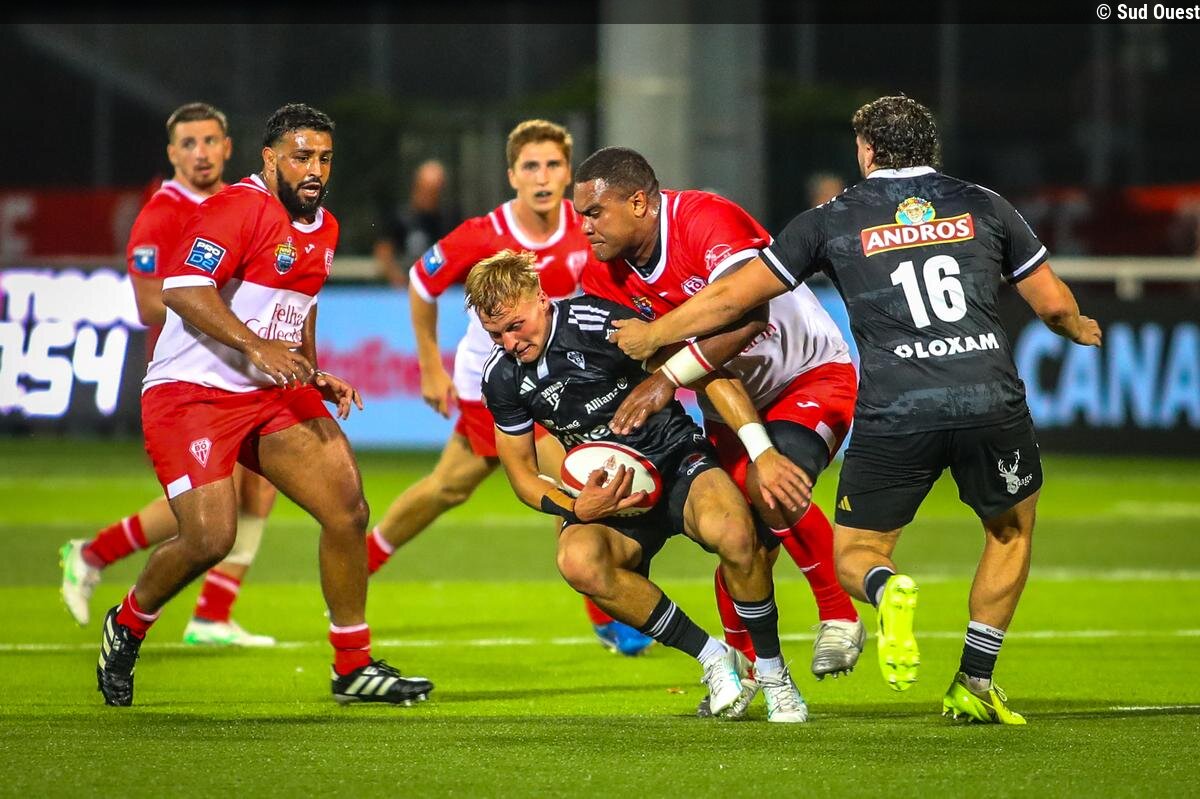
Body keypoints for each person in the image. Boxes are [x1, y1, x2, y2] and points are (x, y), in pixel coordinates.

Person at [608, 95, 1103, 724]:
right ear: (931, 148)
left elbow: (735, 298)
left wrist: (656, 336)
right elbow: (1053, 305)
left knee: (857, 553)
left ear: (866, 152)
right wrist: (1077, 327)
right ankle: (975, 681)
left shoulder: (832, 218)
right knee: (1009, 532)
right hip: (989, 398)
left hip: (897, 407)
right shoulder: (986, 204)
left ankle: (883, 589)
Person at [94, 103, 433, 708]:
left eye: (324, 158)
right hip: (192, 393)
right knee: (210, 538)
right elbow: (182, 288)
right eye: (302, 157)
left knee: (347, 509)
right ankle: (128, 622)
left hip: (270, 393)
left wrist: (312, 369)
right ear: (270, 159)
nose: (315, 169)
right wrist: (256, 346)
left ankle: (353, 667)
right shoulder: (237, 208)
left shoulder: (325, 227)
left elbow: (300, 305)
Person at [572, 147, 866, 704]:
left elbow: (747, 314)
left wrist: (661, 351)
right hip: (728, 400)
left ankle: (838, 613)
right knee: (739, 541)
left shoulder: (705, 219)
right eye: (580, 215)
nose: (584, 227)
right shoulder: (601, 277)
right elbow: (655, 359)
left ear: (639, 203)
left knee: (769, 487)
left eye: (594, 212)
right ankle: (747, 669)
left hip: (808, 374)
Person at [471, 250, 809, 722]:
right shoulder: (502, 378)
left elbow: (705, 373)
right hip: (613, 497)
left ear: (541, 298)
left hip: (676, 461)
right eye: (496, 334)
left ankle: (773, 674)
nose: (510, 343)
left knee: (736, 535)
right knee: (577, 561)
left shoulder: (599, 324)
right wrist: (576, 507)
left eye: (515, 325)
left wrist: (761, 450)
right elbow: (523, 476)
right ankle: (714, 658)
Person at [364, 119, 654, 657]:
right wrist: (429, 365)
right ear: (512, 175)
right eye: (530, 166)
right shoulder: (484, 234)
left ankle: (608, 609)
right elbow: (422, 281)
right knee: (499, 482)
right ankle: (363, 561)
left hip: (558, 380)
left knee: (518, 482)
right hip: (495, 384)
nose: (542, 176)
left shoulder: (586, 227)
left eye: (552, 165)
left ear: (568, 173)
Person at [59, 102, 277, 647]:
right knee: (211, 506)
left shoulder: (244, 202)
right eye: (189, 143)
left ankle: (213, 614)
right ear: (172, 154)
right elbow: (149, 305)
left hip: (241, 370)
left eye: (210, 141)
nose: (201, 153)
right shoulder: (161, 215)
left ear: (228, 147)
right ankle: (94, 554)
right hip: (190, 378)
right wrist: (217, 299)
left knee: (259, 491)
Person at [372, 159, 459, 288]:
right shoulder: (399, 218)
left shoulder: (449, 219)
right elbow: (383, 251)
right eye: (427, 190)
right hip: (403, 288)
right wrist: (398, 280)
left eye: (436, 191)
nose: (430, 196)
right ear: (416, 187)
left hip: (441, 289)